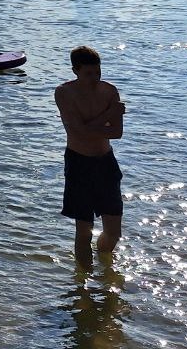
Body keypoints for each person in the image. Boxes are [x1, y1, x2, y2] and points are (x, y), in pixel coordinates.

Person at [55, 46, 126, 265]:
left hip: (105, 162)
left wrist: (93, 126)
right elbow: (78, 132)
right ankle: (82, 286)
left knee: (113, 232)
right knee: (84, 230)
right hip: (79, 162)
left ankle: (103, 261)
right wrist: (108, 114)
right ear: (75, 70)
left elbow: (116, 133)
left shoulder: (109, 91)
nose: (94, 78)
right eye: (88, 74)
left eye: (98, 72)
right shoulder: (65, 93)